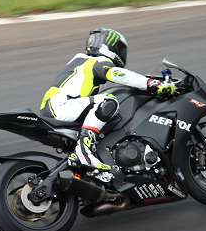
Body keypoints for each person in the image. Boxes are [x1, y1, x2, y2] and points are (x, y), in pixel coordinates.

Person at [39, 28, 175, 170]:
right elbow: (119, 75)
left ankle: (82, 157)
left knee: (102, 111)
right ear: (111, 47)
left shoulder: (80, 61)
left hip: (56, 106)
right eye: (120, 49)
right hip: (60, 105)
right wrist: (152, 83)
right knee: (108, 102)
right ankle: (84, 151)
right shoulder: (95, 61)